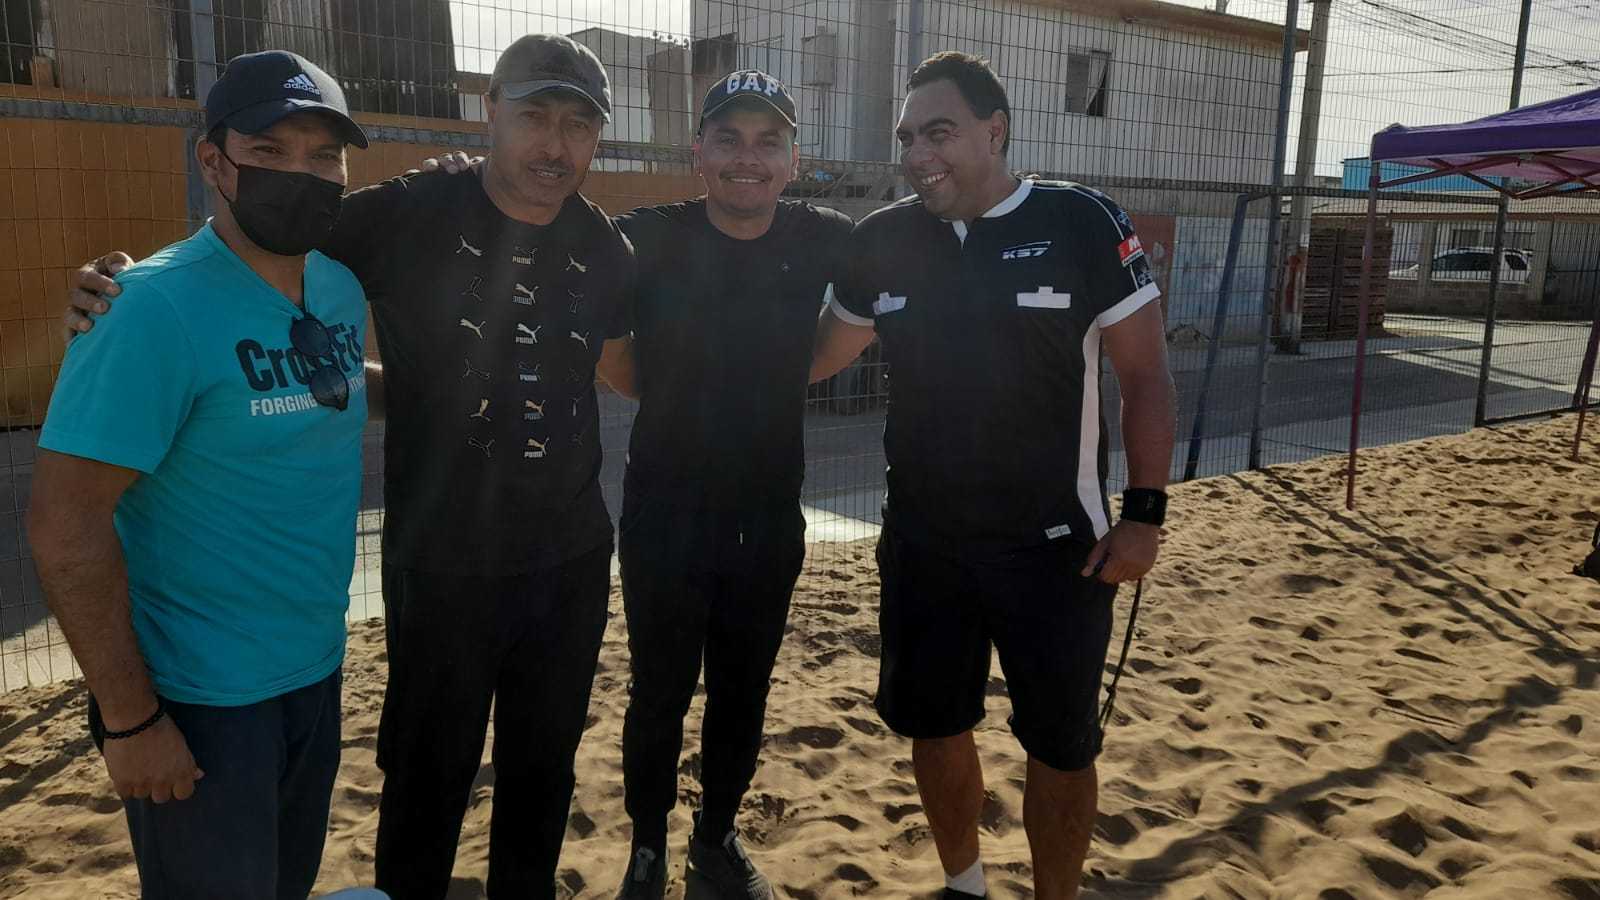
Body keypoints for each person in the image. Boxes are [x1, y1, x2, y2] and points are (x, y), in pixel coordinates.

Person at [62, 34, 637, 900]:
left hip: (570, 560)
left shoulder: (605, 246)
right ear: (489, 112)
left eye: (579, 125)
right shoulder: (408, 210)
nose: (555, 145)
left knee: (544, 771)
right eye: (535, 117)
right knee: (426, 780)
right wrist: (118, 284)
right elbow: (250, 251)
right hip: (441, 563)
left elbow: (625, 364)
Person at [809, 52, 1177, 900]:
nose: (917, 154)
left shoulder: (1083, 222)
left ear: (995, 131)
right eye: (908, 138)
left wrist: (1144, 516)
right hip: (923, 548)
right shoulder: (882, 241)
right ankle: (965, 885)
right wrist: (711, 346)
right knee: (936, 729)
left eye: (938, 133)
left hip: (1057, 552)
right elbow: (817, 357)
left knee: (1061, 748)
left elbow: (1146, 376)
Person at [28, 50, 371, 898]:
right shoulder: (147, 308)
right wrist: (129, 719)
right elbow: (65, 522)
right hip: (202, 699)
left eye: (324, 154)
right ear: (213, 162)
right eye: (269, 150)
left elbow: (325, 385)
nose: (302, 173)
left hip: (316, 669)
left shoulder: (336, 287)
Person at [609, 71, 851, 898]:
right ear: (698, 152)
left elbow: (853, 321)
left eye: (768, 141)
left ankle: (714, 838)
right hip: (663, 513)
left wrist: (782, 379)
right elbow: (617, 360)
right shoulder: (644, 236)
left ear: (793, 160)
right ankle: (647, 846)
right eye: (730, 138)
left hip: (767, 515)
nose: (748, 157)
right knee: (658, 692)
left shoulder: (825, 237)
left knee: (742, 691)